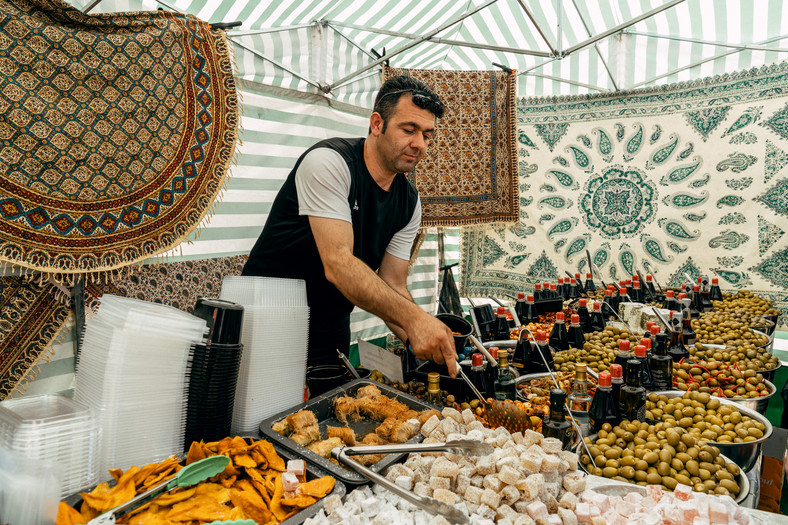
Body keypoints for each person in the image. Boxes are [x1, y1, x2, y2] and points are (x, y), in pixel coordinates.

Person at [243, 76, 459, 376]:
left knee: (333, 416)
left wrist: (424, 338)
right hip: (267, 318)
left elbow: (393, 282)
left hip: (329, 329)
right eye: (409, 130)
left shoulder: (409, 202)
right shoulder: (329, 162)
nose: (419, 145)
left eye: (427, 135)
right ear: (376, 124)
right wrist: (414, 321)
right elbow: (338, 263)